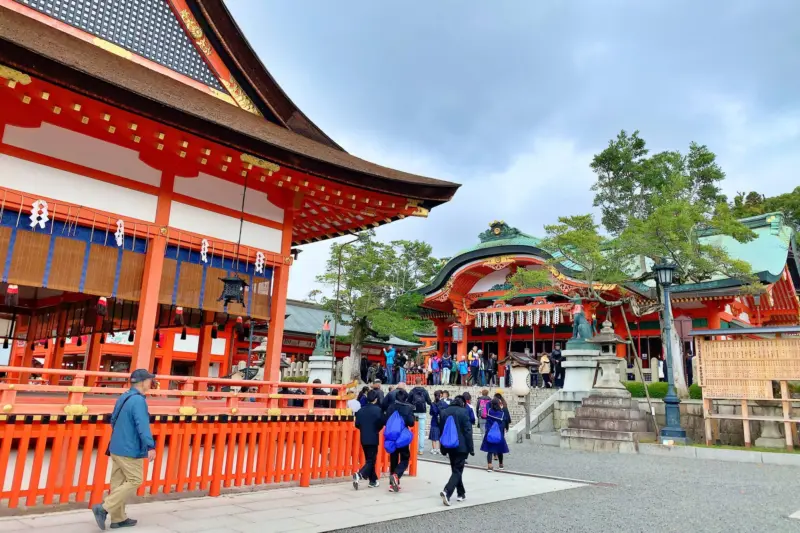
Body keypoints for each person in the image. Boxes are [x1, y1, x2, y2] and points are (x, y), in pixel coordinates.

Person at [92, 369, 156, 531]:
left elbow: (113, 419)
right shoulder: (139, 401)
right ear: (142, 382)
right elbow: (142, 425)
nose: (151, 383)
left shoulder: (124, 396)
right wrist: (150, 446)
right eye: (149, 380)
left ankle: (118, 519)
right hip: (130, 449)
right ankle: (104, 507)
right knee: (135, 479)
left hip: (116, 446)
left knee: (118, 483)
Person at [438, 395, 474, 506]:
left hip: (449, 445)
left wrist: (442, 447)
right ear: (462, 404)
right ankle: (447, 491)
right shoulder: (463, 412)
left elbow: (441, 430)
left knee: (455, 470)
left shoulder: (444, 412)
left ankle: (461, 493)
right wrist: (471, 448)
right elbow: (468, 431)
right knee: (457, 470)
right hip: (461, 445)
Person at [384, 389, 415, 492]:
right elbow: (411, 423)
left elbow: (386, 420)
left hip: (392, 436)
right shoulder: (408, 408)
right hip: (402, 437)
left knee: (393, 459)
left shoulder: (390, 407)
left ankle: (392, 484)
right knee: (405, 458)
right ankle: (396, 475)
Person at [353, 390, 384, 489]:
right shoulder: (378, 410)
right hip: (373, 437)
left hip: (364, 437)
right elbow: (382, 422)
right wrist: (376, 429)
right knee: (371, 460)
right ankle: (360, 474)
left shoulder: (361, 410)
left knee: (369, 460)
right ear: (375, 399)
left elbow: (357, 424)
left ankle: (373, 480)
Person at [481, 398, 510, 471]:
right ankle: (501, 465)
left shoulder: (489, 411)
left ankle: (490, 465)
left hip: (490, 432)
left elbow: (487, 405)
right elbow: (504, 422)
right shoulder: (502, 413)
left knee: (490, 450)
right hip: (499, 433)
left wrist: (490, 401)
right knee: (499, 450)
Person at [409, 384, 432, 455]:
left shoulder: (412, 391)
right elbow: (429, 402)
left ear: (415, 382)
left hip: (415, 413)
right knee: (421, 432)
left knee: (413, 431)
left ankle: (413, 448)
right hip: (422, 413)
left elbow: (408, 401)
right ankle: (421, 450)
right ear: (421, 382)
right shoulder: (424, 391)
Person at [429, 390, 446, 454]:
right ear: (440, 395)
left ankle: (434, 449)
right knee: (440, 435)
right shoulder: (443, 403)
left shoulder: (433, 404)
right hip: (441, 421)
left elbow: (430, 413)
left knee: (434, 436)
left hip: (434, 420)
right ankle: (439, 449)